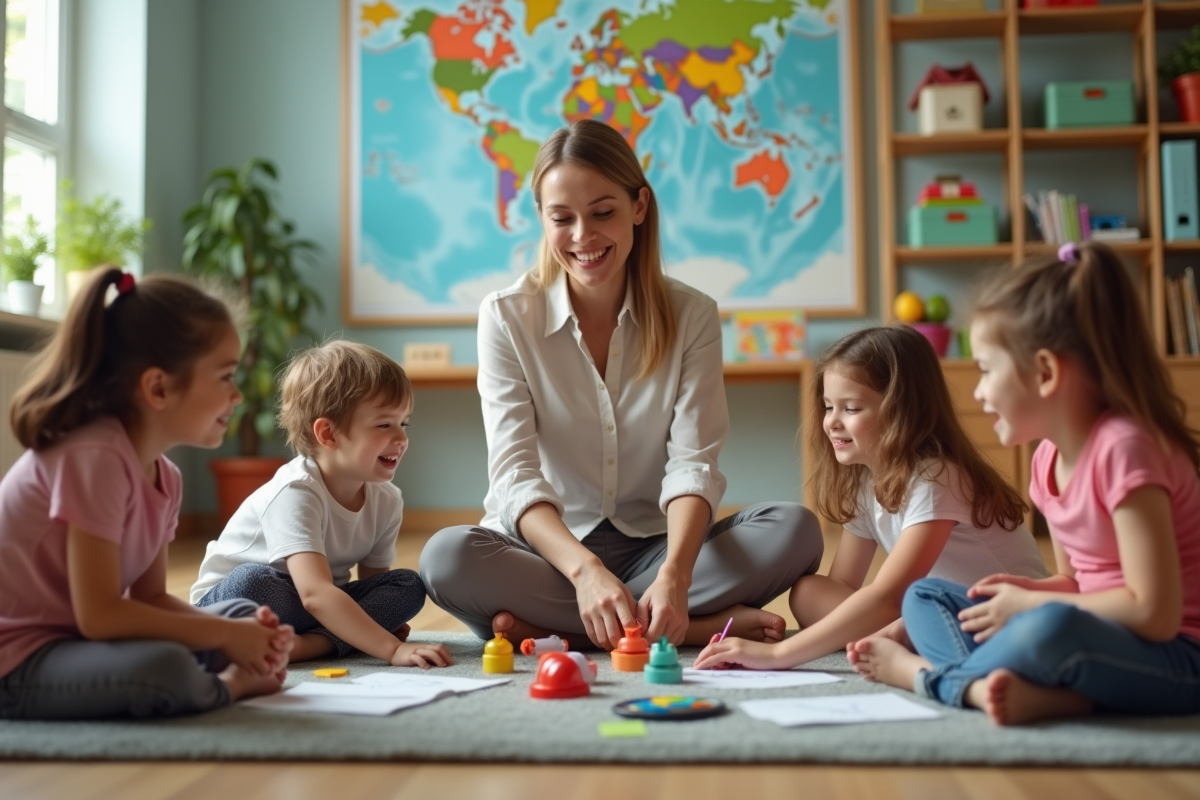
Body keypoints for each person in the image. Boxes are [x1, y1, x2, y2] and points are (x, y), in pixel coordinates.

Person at [419, 118, 824, 649]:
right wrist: (586, 573)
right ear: (541, 218)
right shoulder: (505, 316)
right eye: (562, 218)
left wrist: (675, 576)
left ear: (639, 207)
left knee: (793, 529)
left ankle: (552, 632)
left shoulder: (693, 315)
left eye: (603, 212)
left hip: (656, 549)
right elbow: (515, 475)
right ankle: (682, 628)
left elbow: (694, 464)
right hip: (550, 556)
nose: (584, 237)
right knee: (445, 558)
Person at [850, 242, 1200, 725]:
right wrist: (1020, 592)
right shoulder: (1047, 461)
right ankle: (1054, 695)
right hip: (1091, 634)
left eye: (987, 371)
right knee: (923, 598)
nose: (977, 391)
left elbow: (1155, 613)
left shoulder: (1125, 449)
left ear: (1046, 372)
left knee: (1051, 627)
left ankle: (928, 678)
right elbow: (1075, 582)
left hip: (1177, 656)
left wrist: (1035, 602)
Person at [0, 269, 293, 720]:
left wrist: (239, 633)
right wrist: (224, 641)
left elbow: (150, 598)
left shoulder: (166, 476)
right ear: (158, 387)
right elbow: (100, 616)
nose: (237, 395)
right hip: (18, 660)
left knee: (240, 613)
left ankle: (226, 660)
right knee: (168, 666)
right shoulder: (94, 457)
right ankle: (227, 686)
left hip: (79, 640)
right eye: (225, 376)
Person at [695, 325, 1048, 670]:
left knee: (885, 607)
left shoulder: (936, 477)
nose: (832, 422)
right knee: (807, 592)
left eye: (850, 409)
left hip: (1001, 623)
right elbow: (844, 585)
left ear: (903, 412)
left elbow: (887, 596)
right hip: (932, 615)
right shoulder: (868, 481)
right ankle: (899, 641)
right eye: (828, 407)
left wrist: (778, 655)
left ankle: (908, 648)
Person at [192, 340, 450, 669]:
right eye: (385, 424)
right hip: (234, 607)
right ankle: (322, 640)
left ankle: (306, 646)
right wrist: (388, 647)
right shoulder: (296, 491)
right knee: (255, 581)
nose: (401, 438)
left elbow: (372, 583)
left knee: (407, 585)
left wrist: (375, 620)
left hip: (312, 608)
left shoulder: (387, 500)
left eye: (404, 423)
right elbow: (314, 593)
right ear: (328, 434)